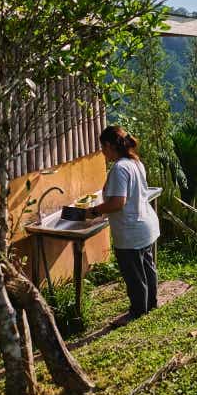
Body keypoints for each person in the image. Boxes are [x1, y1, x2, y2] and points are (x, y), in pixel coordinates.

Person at [86, 125, 160, 321]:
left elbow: (118, 203)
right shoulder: (135, 162)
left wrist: (93, 211)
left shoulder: (119, 168)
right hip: (144, 224)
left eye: (102, 147)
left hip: (131, 230)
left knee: (134, 275)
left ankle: (137, 312)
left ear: (109, 145)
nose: (102, 152)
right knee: (147, 268)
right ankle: (151, 303)